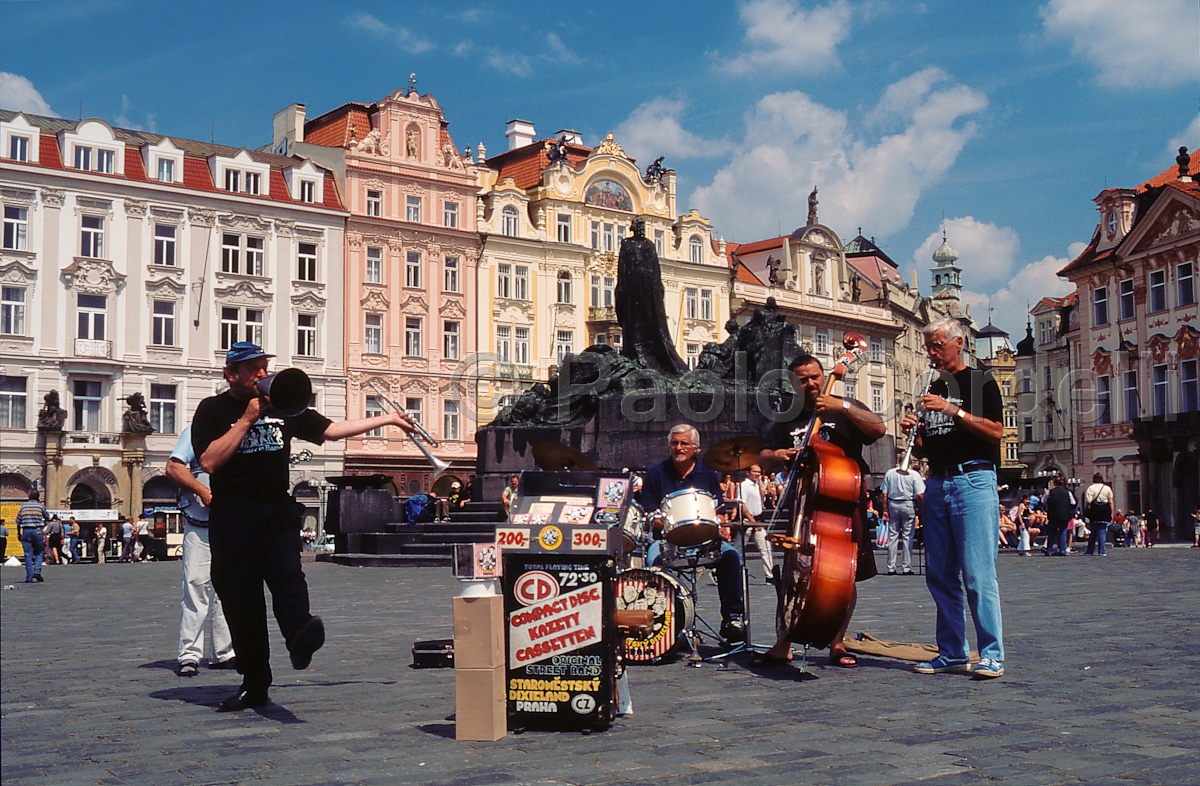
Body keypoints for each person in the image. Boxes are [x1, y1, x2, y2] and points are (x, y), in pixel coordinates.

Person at [192, 341, 415, 711]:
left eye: (264, 366)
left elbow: (331, 430)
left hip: (276, 509)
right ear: (231, 374)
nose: (262, 374)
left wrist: (387, 420)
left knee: (288, 576)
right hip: (234, 514)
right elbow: (210, 461)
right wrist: (247, 418)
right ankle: (255, 682)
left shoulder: (284, 404)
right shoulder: (213, 410)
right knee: (240, 599)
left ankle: (300, 634)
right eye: (253, 368)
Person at [755, 351, 886, 668]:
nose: (811, 383)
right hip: (804, 504)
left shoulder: (843, 409)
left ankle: (837, 643)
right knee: (792, 575)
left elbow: (878, 429)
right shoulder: (785, 417)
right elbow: (762, 456)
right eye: (803, 380)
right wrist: (780, 454)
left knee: (844, 574)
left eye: (815, 376)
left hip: (842, 500)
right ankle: (783, 643)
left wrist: (842, 406)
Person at [900, 317, 1006, 679]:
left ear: (958, 343)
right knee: (940, 575)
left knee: (977, 574)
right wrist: (915, 436)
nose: (932, 353)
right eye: (928, 346)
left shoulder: (980, 381)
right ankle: (952, 652)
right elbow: (932, 447)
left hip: (973, 480)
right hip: (939, 482)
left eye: (937, 346)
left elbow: (995, 432)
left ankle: (991, 653)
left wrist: (952, 410)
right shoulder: (933, 385)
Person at [638, 423, 746, 643]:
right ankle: (660, 623)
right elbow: (650, 515)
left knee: (731, 556)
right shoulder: (656, 473)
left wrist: (720, 525)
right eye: (674, 443)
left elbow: (717, 509)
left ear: (695, 448)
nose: (678, 448)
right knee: (653, 562)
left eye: (684, 443)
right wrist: (669, 526)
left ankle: (733, 618)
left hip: (705, 540)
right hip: (667, 541)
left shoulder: (707, 474)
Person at [166, 426, 236, 677]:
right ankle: (189, 653)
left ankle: (224, 652)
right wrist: (201, 490)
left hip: (234, 521)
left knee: (229, 588)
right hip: (201, 522)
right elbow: (174, 467)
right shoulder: (198, 431)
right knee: (195, 585)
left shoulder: (247, 430)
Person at [880, 465, 925, 575]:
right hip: (908, 503)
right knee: (907, 537)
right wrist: (920, 509)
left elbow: (884, 493)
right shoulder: (914, 475)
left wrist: (885, 509)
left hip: (893, 503)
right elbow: (919, 495)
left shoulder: (890, 473)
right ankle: (906, 567)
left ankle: (891, 567)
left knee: (893, 536)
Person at [738, 465, 774, 583]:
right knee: (738, 549)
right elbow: (742, 504)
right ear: (748, 472)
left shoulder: (757, 485)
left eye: (759, 472)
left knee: (765, 548)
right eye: (754, 472)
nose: (757, 474)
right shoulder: (744, 485)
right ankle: (729, 572)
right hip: (748, 521)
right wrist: (752, 521)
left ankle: (770, 576)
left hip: (757, 519)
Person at [17, 490, 48, 583]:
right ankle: (37, 571)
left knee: (28, 555)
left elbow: (18, 522)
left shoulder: (23, 507)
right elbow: (47, 517)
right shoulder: (40, 506)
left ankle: (29, 576)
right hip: (37, 530)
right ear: (38, 497)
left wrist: (19, 533)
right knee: (39, 552)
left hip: (26, 530)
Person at [1043, 475, 1076, 557]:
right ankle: (1062, 550)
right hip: (1064, 515)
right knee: (1063, 533)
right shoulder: (1067, 492)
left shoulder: (1050, 492)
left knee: (1051, 533)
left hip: (1053, 514)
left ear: (1054, 483)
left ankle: (1049, 550)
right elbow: (1073, 503)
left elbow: (1043, 501)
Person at [1082, 474, 1114, 556]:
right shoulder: (1107, 488)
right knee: (1102, 531)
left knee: (1093, 532)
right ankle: (1102, 551)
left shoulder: (1091, 488)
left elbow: (1089, 501)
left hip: (1095, 509)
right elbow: (1110, 502)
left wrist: (1086, 509)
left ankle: (1090, 551)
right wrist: (1111, 512)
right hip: (1105, 509)